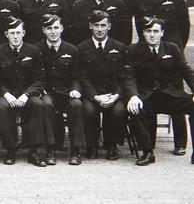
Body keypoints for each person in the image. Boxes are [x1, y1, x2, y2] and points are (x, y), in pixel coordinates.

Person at [133, 0, 190, 155]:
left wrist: (176, 49)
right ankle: (150, 142)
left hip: (171, 51)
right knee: (149, 91)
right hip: (148, 50)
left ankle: (180, 142)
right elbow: (141, 28)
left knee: (175, 92)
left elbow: (185, 27)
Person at [126, 17, 194, 165]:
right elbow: (129, 76)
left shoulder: (172, 48)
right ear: (143, 33)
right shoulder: (133, 50)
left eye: (155, 31)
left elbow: (187, 72)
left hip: (168, 95)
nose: (152, 35)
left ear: (162, 33)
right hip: (146, 96)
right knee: (133, 109)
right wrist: (133, 96)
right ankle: (147, 152)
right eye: (148, 31)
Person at [0, 16, 52, 167]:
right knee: (1, 107)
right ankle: (10, 150)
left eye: (18, 33)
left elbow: (40, 79)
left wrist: (26, 95)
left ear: (24, 33)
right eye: (12, 33)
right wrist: (6, 94)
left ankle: (33, 152)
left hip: (27, 94)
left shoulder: (33, 51)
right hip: (6, 94)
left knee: (38, 105)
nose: (15, 36)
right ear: (6, 34)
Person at [77, 10, 128, 160]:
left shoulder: (119, 47)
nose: (100, 29)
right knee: (89, 110)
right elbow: (82, 77)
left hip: (113, 94)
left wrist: (116, 95)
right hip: (92, 94)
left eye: (103, 25)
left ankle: (112, 145)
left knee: (118, 111)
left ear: (109, 26)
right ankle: (91, 145)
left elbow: (123, 77)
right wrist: (95, 96)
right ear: (90, 26)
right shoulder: (81, 48)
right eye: (96, 25)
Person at [36, 14, 85, 165]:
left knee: (76, 105)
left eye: (56, 28)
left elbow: (77, 76)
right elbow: (36, 75)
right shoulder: (37, 49)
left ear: (62, 28)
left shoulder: (72, 50)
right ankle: (51, 149)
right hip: (47, 92)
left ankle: (75, 150)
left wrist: (76, 89)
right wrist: (41, 90)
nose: (53, 32)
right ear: (44, 30)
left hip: (66, 92)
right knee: (45, 105)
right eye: (49, 28)